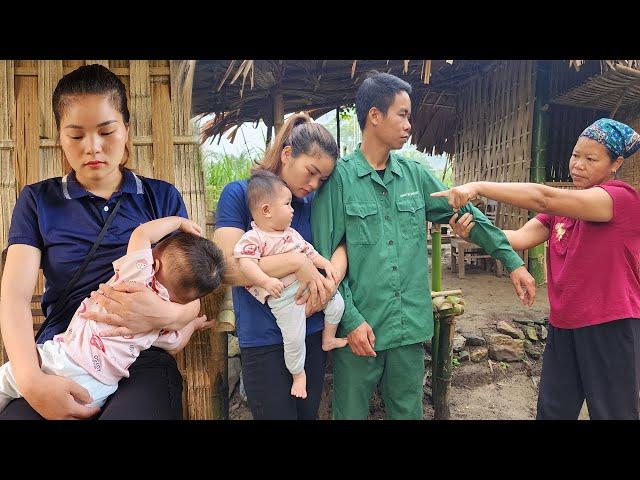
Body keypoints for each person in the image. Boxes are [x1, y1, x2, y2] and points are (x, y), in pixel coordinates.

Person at [311, 71, 536, 420]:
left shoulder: (415, 175)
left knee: (409, 414)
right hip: (359, 331)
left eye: (409, 117)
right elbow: (323, 261)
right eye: (402, 114)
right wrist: (351, 321)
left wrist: (512, 262)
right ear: (374, 115)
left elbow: (467, 213)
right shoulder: (338, 180)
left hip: (407, 329)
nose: (409, 125)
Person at [0, 64, 204, 420]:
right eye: (76, 136)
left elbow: (192, 298)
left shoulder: (160, 198)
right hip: (62, 354)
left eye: (106, 131)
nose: (92, 147)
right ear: (60, 137)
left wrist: (166, 315)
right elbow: (14, 295)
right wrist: (31, 381)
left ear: (126, 128)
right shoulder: (37, 201)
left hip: (139, 359)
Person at [433, 118, 640, 420]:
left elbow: (544, 197)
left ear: (616, 163)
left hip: (610, 325)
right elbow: (518, 238)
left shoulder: (621, 198)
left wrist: (478, 186)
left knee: (614, 413)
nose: (578, 165)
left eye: (590, 158)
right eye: (575, 155)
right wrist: (474, 230)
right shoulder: (564, 211)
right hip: (564, 324)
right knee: (553, 411)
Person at [0, 216, 224, 413]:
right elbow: (175, 343)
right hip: (100, 389)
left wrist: (178, 222)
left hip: (66, 359)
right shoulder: (160, 325)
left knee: (5, 382)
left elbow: (142, 233)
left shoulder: (137, 276)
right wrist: (192, 324)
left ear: (154, 263)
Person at [234, 170, 346, 400]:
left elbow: (310, 252)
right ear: (266, 210)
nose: (293, 208)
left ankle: (328, 337)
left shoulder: (291, 234)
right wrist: (265, 280)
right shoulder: (253, 238)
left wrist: (326, 263)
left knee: (337, 303)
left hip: (307, 288)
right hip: (285, 299)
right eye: (287, 204)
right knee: (294, 339)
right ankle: (298, 374)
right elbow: (245, 264)